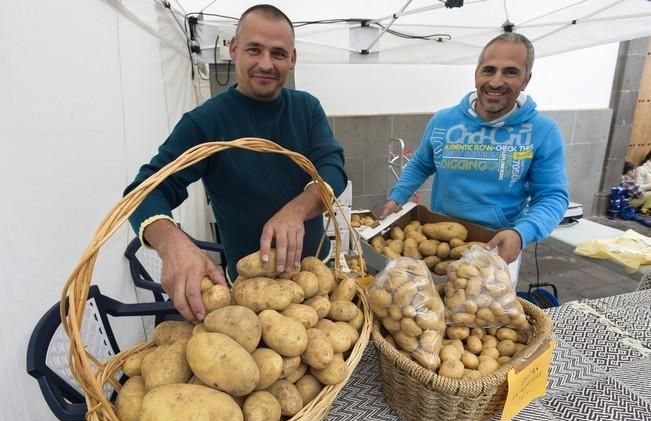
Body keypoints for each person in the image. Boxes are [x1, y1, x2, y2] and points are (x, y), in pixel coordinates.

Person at [124, 4, 347, 322]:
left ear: (292, 59)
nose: (266, 64)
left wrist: (296, 211)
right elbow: (144, 191)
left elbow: (333, 168)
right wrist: (172, 243)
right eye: (254, 50)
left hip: (317, 280)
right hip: (248, 296)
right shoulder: (205, 123)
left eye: (279, 54)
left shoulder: (307, 109)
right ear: (234, 49)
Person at [380, 32, 568, 271]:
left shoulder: (542, 131)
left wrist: (521, 234)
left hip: (498, 248)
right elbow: (421, 164)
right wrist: (397, 198)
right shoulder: (443, 121)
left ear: (526, 80)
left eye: (510, 72)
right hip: (438, 244)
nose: (496, 82)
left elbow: (552, 196)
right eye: (489, 70)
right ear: (476, 73)